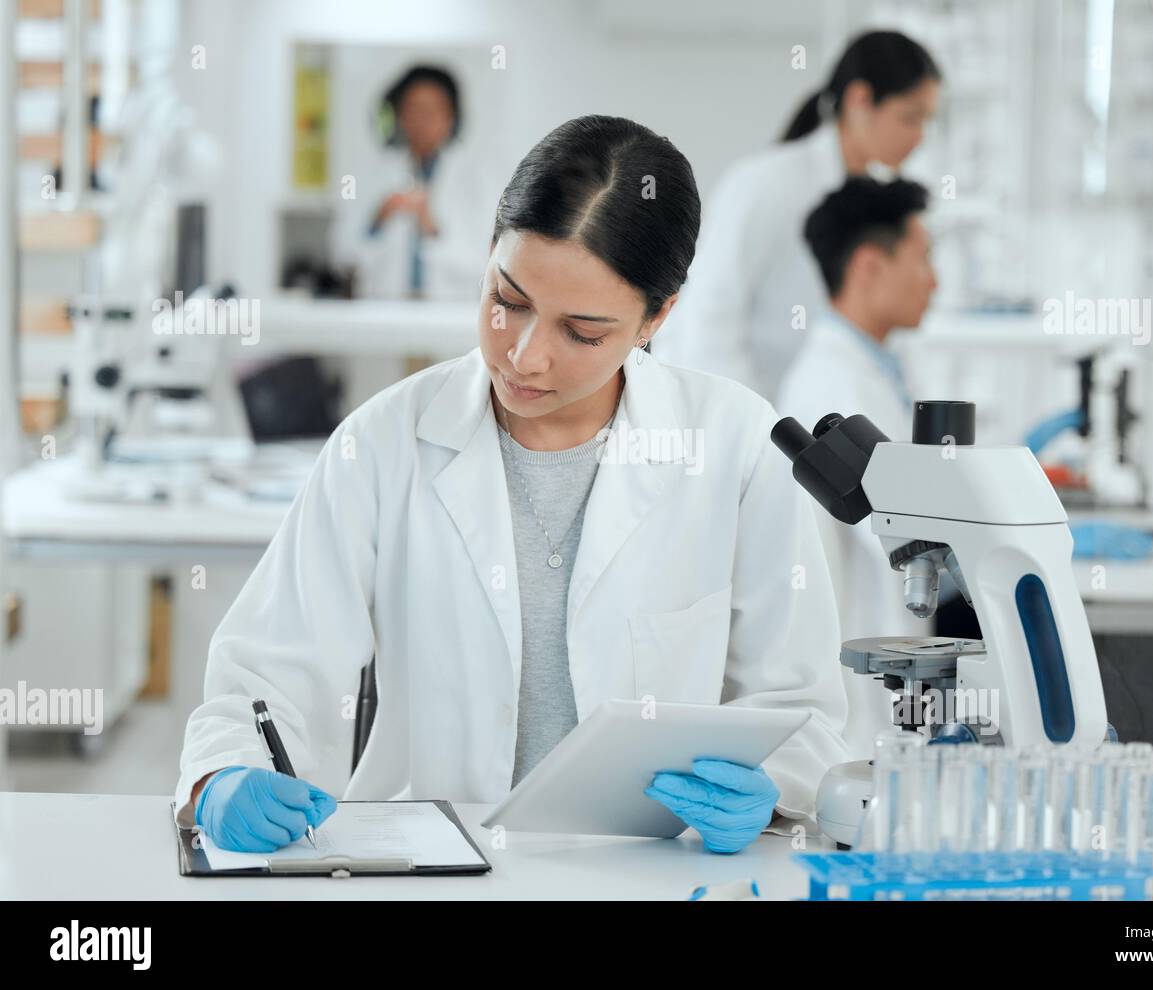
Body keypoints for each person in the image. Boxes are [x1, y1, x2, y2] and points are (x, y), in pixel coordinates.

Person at [175, 116, 850, 856]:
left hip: (652, 871)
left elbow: (801, 709)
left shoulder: (735, 446)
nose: (525, 356)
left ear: (658, 317)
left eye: (582, 333)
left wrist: (775, 790)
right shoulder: (384, 443)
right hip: (435, 861)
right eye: (510, 299)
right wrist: (224, 774)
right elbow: (268, 665)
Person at [653, 30, 941, 400]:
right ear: (860, 100)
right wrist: (753, 426)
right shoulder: (768, 183)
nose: (920, 137)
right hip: (748, 414)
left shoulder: (871, 200)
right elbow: (707, 318)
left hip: (809, 422)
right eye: (910, 118)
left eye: (927, 121)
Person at [776, 176, 937, 757]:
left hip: (894, 669)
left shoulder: (875, 368)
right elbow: (905, 536)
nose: (934, 280)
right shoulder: (829, 383)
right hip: (863, 700)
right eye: (923, 258)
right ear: (870, 265)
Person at [336, 64, 489, 300]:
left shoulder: (476, 178)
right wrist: (379, 218)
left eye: (431, 111)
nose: (422, 120)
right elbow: (344, 257)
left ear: (450, 117)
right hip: (383, 312)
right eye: (414, 109)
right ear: (400, 115)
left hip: (449, 312)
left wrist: (432, 229)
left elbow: (485, 264)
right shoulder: (372, 174)